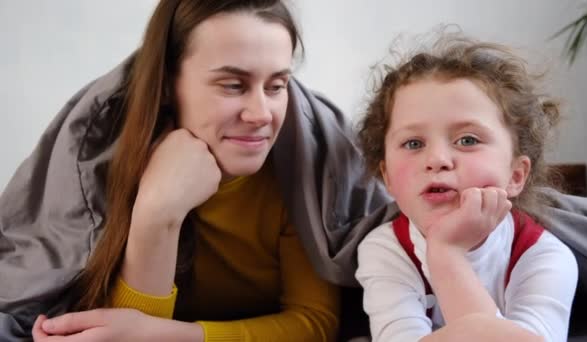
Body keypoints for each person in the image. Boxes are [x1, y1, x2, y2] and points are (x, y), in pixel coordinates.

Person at [0, 1, 391, 341]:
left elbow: (316, 324)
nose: (260, 115)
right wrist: (156, 212)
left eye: (276, 86)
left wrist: (177, 336)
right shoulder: (105, 158)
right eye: (233, 85)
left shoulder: (303, 168)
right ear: (170, 84)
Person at [355, 34, 578, 341]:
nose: (436, 160)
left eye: (468, 140)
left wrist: (447, 253)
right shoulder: (385, 250)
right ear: (388, 177)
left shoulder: (543, 255)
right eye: (413, 143)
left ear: (516, 175)